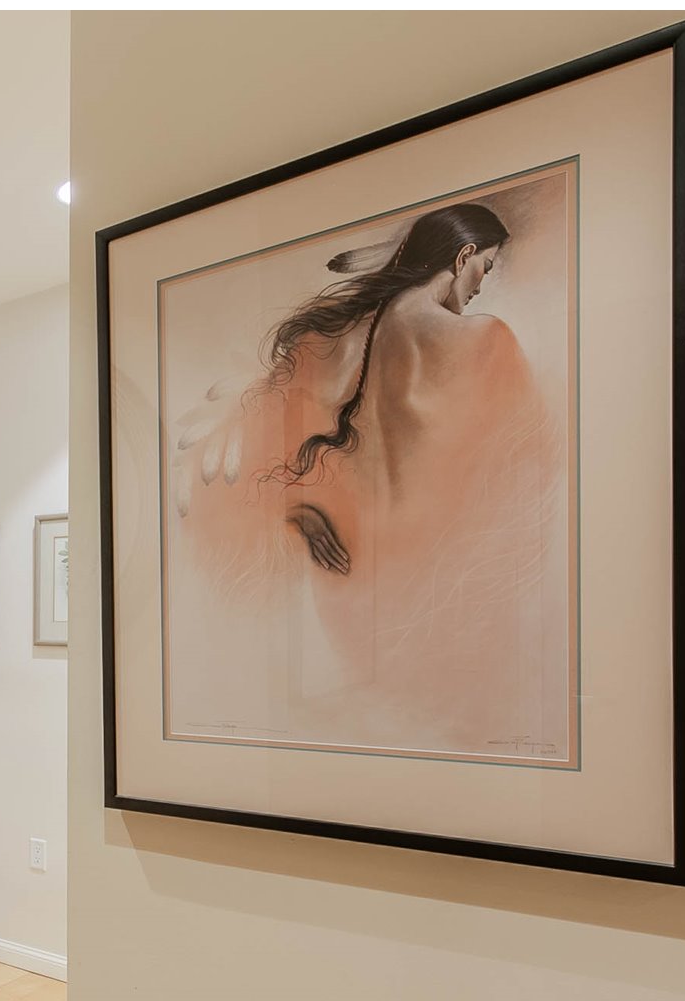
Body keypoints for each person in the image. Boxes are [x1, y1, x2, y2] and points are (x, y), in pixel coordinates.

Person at [169, 200, 565, 758]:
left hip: (349, 586)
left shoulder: (331, 345)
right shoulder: (487, 339)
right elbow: (527, 475)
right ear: (464, 256)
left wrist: (300, 512)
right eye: (486, 267)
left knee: (379, 740)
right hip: (440, 587)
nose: (481, 285)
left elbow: (254, 458)